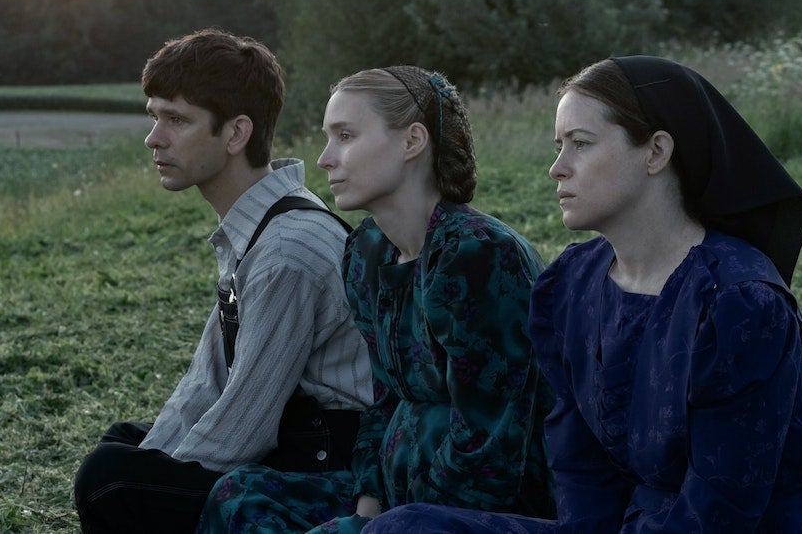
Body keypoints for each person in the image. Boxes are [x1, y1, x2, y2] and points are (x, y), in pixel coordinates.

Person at [360, 56, 802, 533]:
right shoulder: (572, 284)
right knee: (403, 526)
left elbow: (720, 510)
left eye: (580, 143)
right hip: (625, 526)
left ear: (657, 152)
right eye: (559, 145)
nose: (558, 167)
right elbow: (580, 469)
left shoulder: (738, 302)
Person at [197, 65, 555, 533]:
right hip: (393, 491)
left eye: (345, 136)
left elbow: (491, 446)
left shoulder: (479, 256)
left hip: (478, 509)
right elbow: (381, 401)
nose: (325, 159)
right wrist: (366, 507)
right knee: (238, 495)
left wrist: (383, 524)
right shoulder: (367, 251)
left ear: (412, 141)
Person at [73, 28, 373, 533]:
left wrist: (158, 480)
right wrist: (155, 459)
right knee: (122, 444)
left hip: (330, 463)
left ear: (235, 134)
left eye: (177, 120)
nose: (154, 138)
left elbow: (245, 422)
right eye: (155, 116)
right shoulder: (259, 225)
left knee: (110, 480)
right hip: (293, 431)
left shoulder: (287, 249)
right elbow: (208, 379)